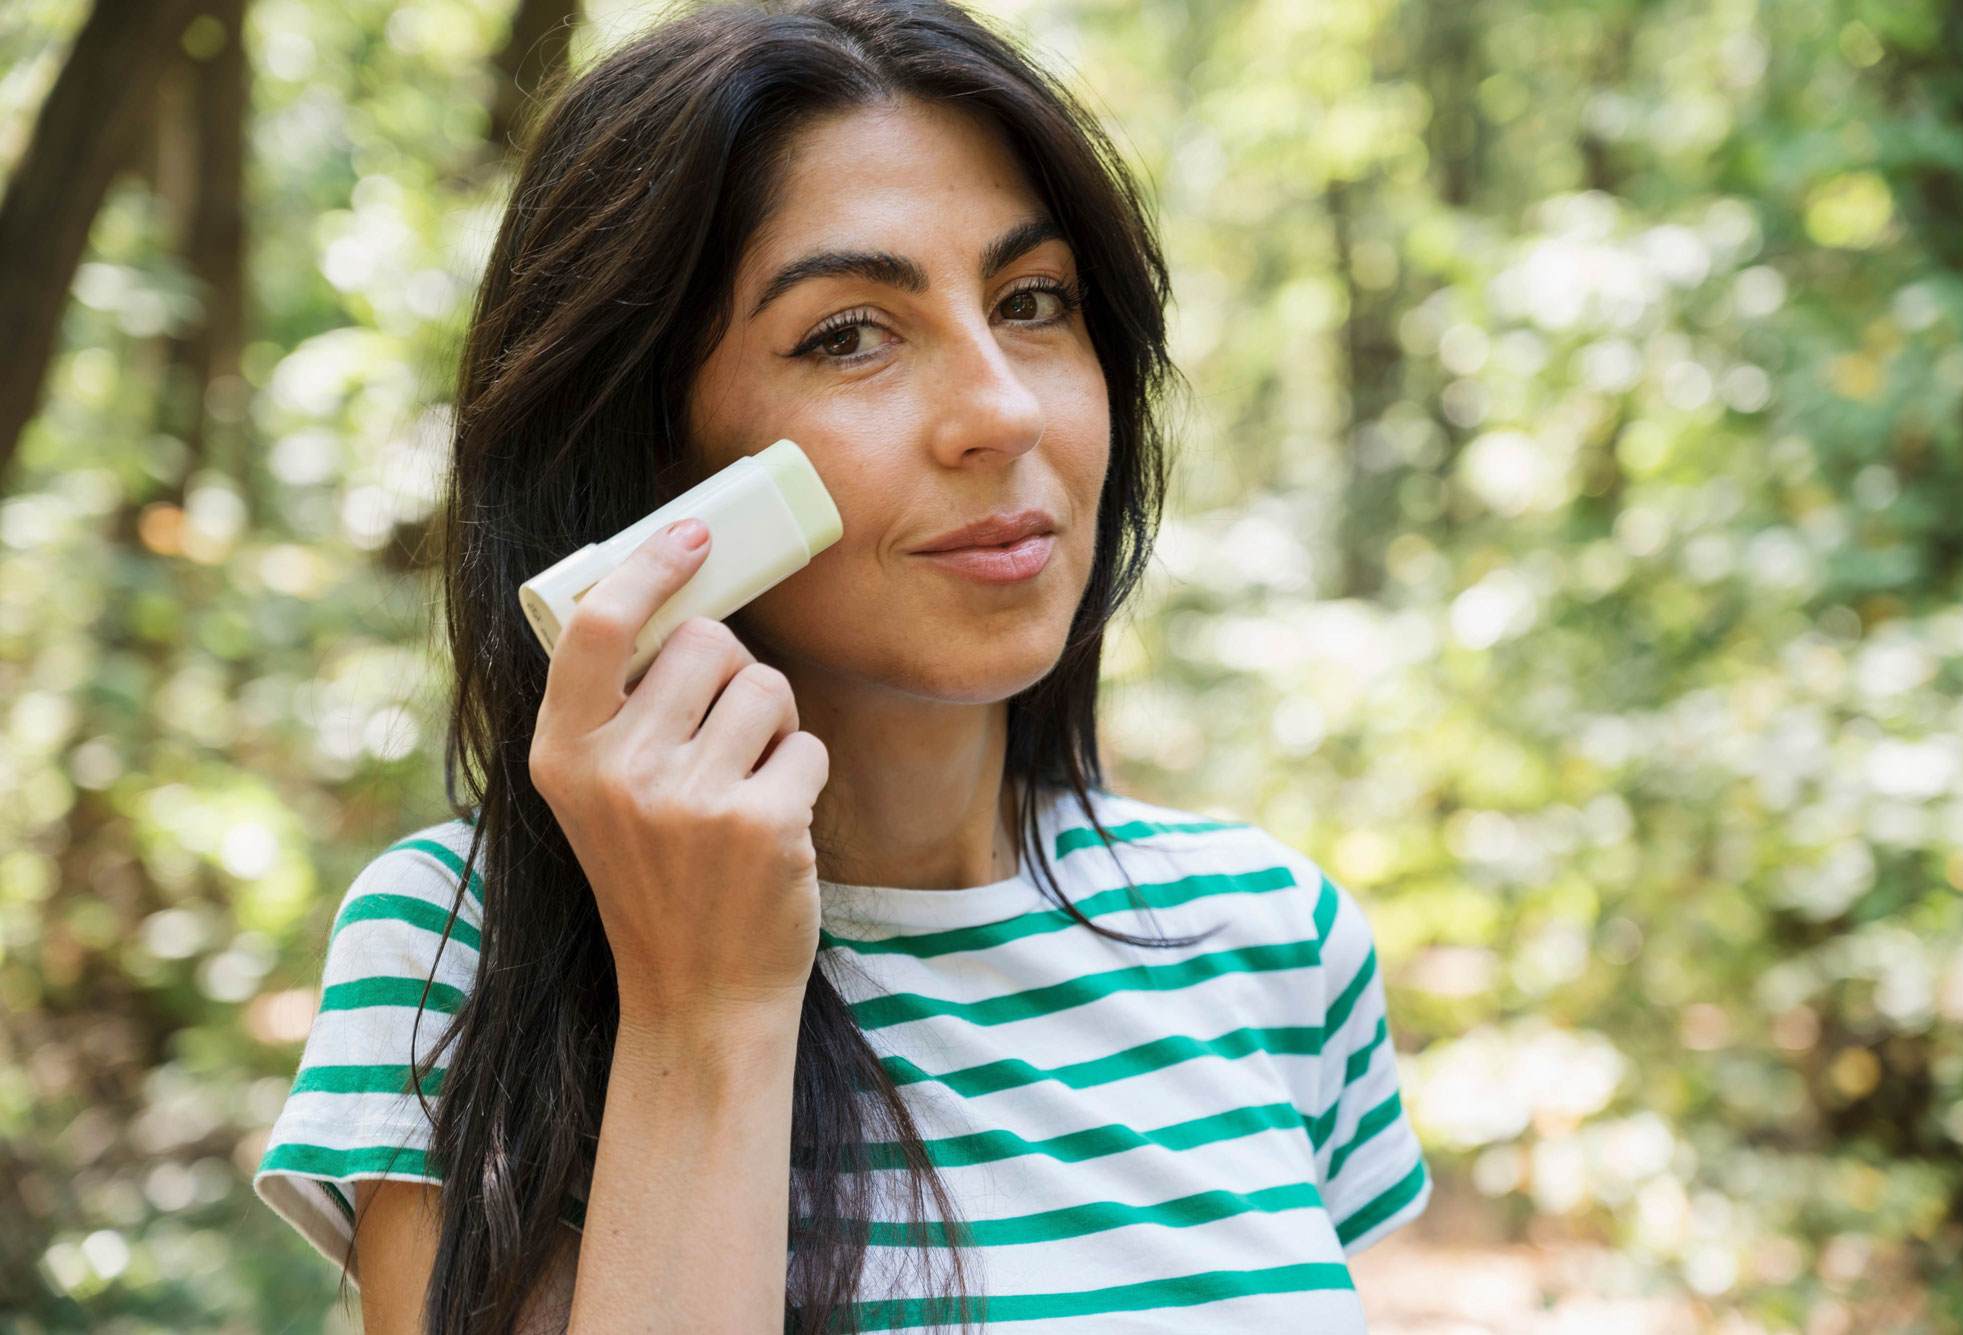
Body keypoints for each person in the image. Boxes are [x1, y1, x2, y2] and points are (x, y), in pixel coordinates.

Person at [252, 0, 1431, 1330]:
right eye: (848, 335)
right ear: (659, 458)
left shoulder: (1272, 932)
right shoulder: (460, 951)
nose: (1001, 408)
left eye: (1033, 302)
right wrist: (705, 1008)